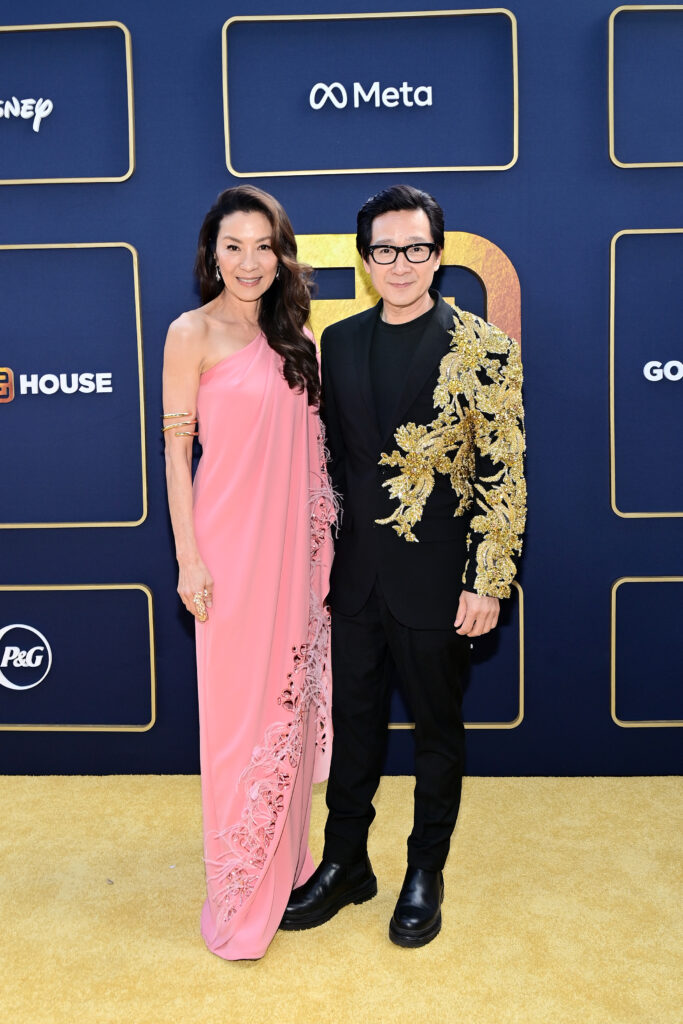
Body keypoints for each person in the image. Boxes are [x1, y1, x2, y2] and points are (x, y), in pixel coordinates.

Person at [280, 184, 525, 948]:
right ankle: (346, 863)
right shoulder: (338, 344)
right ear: (363, 259)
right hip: (352, 581)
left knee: (435, 734)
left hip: (439, 582)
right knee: (353, 730)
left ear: (438, 255)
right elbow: (324, 462)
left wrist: (488, 579)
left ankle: (426, 869)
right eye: (384, 250)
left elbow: (503, 471)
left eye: (415, 248)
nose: (400, 263)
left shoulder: (483, 348)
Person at [162, 185, 336, 961]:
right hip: (227, 552)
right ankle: (238, 888)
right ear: (212, 254)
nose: (249, 261)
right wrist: (187, 556)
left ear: (280, 254)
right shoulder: (188, 332)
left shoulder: (298, 335)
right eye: (233, 246)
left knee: (288, 707)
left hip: (290, 554)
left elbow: (317, 448)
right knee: (237, 724)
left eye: (263, 246)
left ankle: (287, 860)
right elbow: (175, 454)